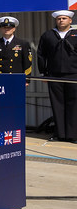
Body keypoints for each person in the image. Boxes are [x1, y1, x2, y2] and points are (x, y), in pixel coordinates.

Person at [37, 10, 77, 142]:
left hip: (74, 75)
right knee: (57, 104)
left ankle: (72, 135)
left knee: (73, 104)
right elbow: (41, 54)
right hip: (54, 75)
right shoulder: (48, 35)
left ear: (70, 20)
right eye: (59, 19)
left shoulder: (76, 34)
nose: (61, 20)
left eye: (64, 18)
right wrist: (43, 73)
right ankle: (59, 134)